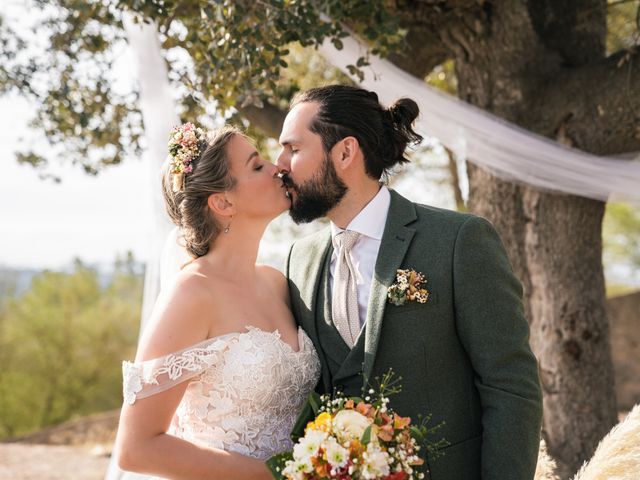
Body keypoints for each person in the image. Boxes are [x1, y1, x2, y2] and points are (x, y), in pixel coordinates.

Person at [276, 85, 543, 480]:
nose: (279, 164)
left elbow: (511, 385)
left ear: (345, 152)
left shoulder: (458, 240)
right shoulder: (300, 261)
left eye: (293, 149)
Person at [114, 123, 320, 479]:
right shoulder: (192, 293)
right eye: (257, 166)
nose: (278, 168)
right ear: (223, 202)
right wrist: (274, 476)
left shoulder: (275, 282)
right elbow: (137, 449)